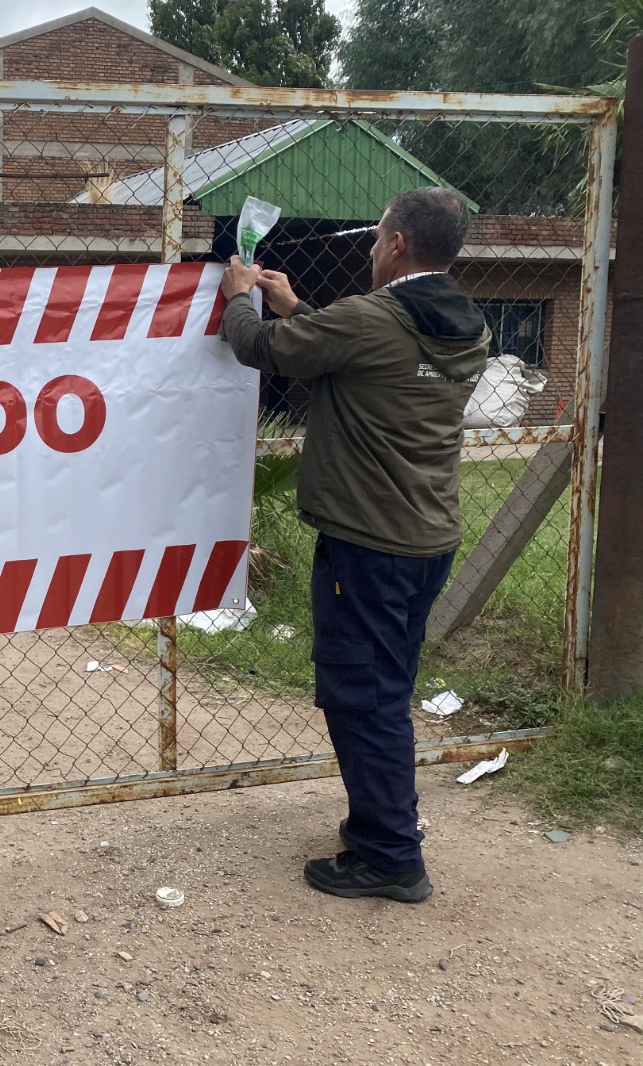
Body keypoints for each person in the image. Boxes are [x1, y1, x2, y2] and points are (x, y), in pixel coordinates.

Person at [217, 187, 491, 903]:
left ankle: (390, 855)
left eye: (377, 239)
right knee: (386, 690)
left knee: (360, 697)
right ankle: (383, 824)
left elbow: (261, 351)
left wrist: (240, 294)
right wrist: (298, 307)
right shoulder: (465, 323)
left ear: (397, 243)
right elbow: (361, 358)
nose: (371, 250)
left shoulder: (372, 318)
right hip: (425, 538)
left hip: (368, 543)